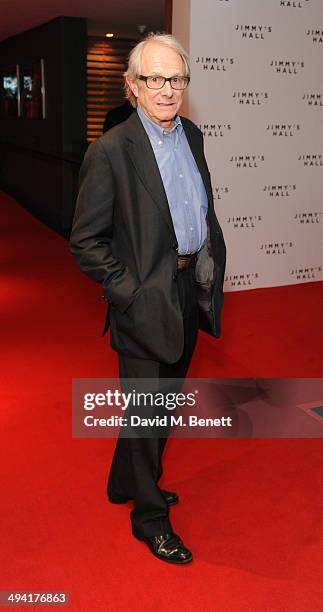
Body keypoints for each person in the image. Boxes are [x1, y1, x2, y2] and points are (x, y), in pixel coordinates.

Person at [69, 32, 226, 564]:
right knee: (145, 410)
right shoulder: (111, 150)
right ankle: (149, 516)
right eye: (154, 79)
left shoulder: (195, 137)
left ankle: (124, 483)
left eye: (176, 78)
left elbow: (196, 210)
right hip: (142, 297)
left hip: (186, 289)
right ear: (132, 85)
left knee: (160, 404)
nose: (167, 89)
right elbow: (86, 242)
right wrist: (129, 294)